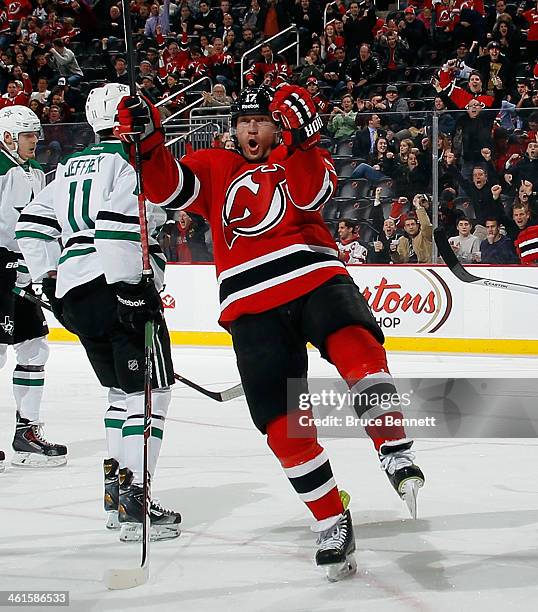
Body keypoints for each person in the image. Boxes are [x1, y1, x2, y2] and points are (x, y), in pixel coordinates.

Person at [114, 84, 425, 581]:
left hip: (315, 274)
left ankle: (393, 448)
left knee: (358, 349)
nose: (251, 130)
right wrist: (149, 141)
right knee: (283, 425)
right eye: (243, 121)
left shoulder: (300, 155)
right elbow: (164, 188)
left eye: (261, 121)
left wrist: (303, 140)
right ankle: (331, 521)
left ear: (278, 125)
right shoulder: (215, 166)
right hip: (249, 301)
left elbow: (309, 195)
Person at [15, 84, 181, 541]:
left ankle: (117, 492)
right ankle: (137, 501)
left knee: (118, 393)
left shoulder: (68, 165)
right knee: (152, 396)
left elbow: (31, 224)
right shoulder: (132, 161)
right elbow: (115, 226)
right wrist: (129, 287)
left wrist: (47, 279)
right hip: (116, 284)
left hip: (75, 291)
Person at [0, 105, 66, 471]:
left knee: (34, 347)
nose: (34, 141)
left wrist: (39, 265)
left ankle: (26, 432)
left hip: (21, 270)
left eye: (35, 134)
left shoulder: (36, 173)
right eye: (28, 135)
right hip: (0, 266)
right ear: (8, 136)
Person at [392, 198, 433, 263]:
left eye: (413, 224)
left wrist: (418, 207)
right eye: (408, 225)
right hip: (408, 270)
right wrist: (393, 253)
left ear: (417, 225)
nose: (411, 227)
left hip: (425, 267)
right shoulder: (402, 240)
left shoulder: (425, 235)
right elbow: (400, 260)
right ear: (405, 228)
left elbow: (426, 225)